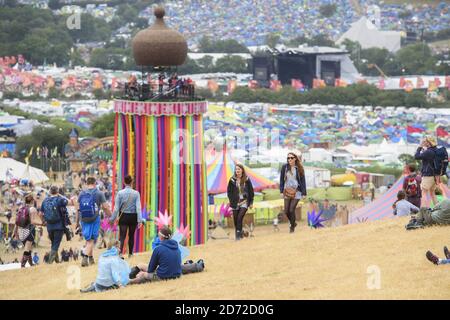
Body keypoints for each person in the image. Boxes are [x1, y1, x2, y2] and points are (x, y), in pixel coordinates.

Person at [76, 177, 111, 267]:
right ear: (95, 183)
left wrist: (77, 222)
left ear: (87, 183)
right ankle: (85, 257)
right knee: (92, 240)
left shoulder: (81, 193)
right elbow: (105, 207)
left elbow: (78, 208)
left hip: (83, 218)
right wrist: (111, 215)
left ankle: (91, 259)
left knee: (88, 240)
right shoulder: (99, 193)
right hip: (94, 218)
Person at [110, 175, 143, 257]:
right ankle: (130, 253)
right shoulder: (136, 193)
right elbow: (138, 207)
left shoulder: (120, 193)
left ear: (124, 182)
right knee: (131, 236)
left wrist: (112, 219)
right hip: (133, 216)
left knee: (122, 236)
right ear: (132, 182)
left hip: (123, 216)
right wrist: (140, 220)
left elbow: (116, 208)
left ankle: (120, 253)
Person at [279, 152, 307, 233]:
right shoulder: (284, 167)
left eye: (291, 158)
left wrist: (304, 193)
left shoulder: (299, 168)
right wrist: (281, 191)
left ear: (295, 158)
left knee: (291, 210)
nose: (289, 159)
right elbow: (281, 180)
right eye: (288, 158)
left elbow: (303, 181)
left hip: (297, 191)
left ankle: (292, 228)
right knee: (286, 211)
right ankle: (293, 222)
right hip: (287, 191)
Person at [227, 163, 254, 240]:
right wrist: (231, 201)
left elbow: (251, 191)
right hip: (235, 203)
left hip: (244, 202)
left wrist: (251, 202)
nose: (237, 170)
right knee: (236, 220)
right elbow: (229, 192)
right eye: (236, 169)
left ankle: (238, 236)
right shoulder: (232, 180)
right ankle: (239, 234)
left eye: (239, 169)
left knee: (239, 217)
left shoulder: (246, 179)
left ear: (242, 170)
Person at [41, 186, 68, 264]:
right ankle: (50, 262)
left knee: (53, 244)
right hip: (59, 226)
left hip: (49, 226)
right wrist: (61, 195)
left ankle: (57, 261)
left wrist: (43, 221)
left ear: (49, 191)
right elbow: (69, 202)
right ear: (57, 191)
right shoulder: (60, 200)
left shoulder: (45, 201)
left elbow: (40, 213)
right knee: (56, 244)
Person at [14, 194, 39, 268]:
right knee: (27, 249)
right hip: (29, 230)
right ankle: (22, 265)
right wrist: (42, 224)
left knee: (29, 248)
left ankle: (31, 264)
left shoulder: (20, 208)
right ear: (32, 201)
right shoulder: (32, 209)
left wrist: (15, 232)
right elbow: (32, 222)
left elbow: (17, 221)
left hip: (21, 231)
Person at [414, 136, 438, 207]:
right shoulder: (436, 150)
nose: (424, 142)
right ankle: (438, 209)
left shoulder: (429, 152)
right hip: (435, 175)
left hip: (428, 175)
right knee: (432, 192)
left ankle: (423, 210)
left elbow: (416, 156)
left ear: (428, 142)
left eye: (425, 141)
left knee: (424, 192)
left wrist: (420, 146)